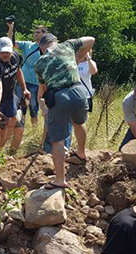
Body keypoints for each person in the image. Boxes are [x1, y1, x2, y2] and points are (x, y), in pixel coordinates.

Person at [34, 33, 95, 190]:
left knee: (58, 140)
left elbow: (44, 87)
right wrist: (79, 56)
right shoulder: (67, 45)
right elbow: (91, 40)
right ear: (56, 42)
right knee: (79, 122)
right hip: (79, 90)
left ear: (42, 47)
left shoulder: (39, 63)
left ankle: (60, 179)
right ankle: (81, 153)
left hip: (59, 95)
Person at [0, 37, 29, 151]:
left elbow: (18, 71)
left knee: (7, 121)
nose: (5, 55)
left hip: (9, 95)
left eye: (7, 52)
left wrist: (24, 89)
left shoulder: (16, 57)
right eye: (2, 52)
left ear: (12, 50)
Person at [8, 22, 49, 127]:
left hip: (36, 83)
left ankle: (34, 131)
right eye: (35, 32)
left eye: (38, 32)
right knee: (19, 107)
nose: (35, 34)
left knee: (34, 109)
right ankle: (18, 128)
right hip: (22, 82)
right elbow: (11, 43)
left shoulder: (47, 50)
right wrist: (11, 29)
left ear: (44, 34)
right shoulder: (27, 45)